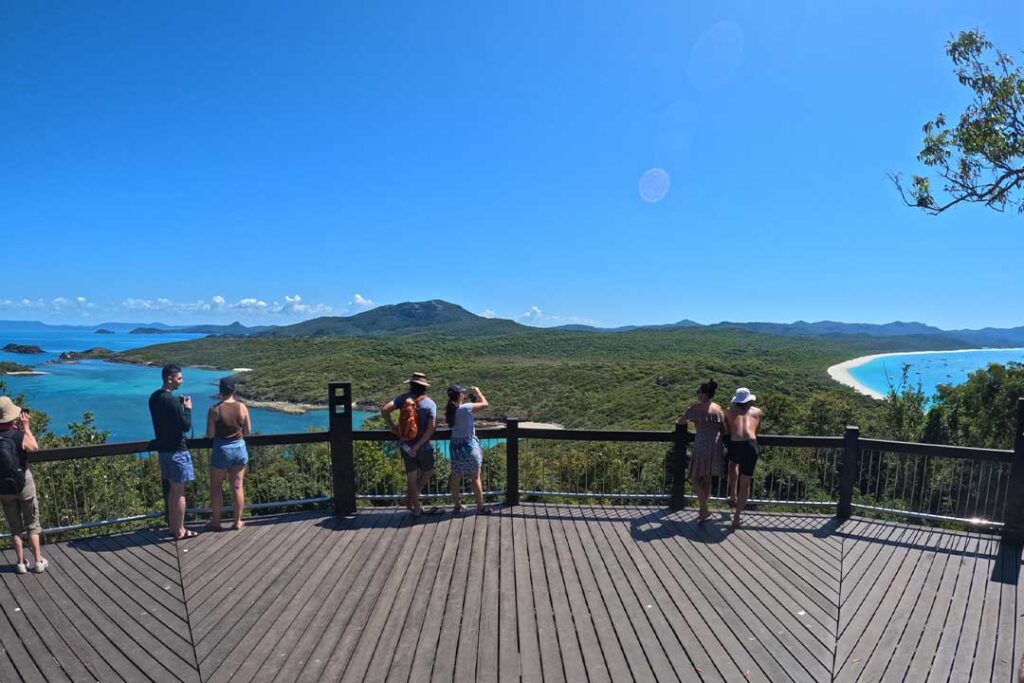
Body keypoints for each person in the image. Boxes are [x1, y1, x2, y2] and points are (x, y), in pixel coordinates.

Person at [148, 365, 198, 540]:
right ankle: (180, 530)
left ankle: (172, 527)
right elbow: (185, 425)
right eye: (179, 378)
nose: (181, 381)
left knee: (171, 491)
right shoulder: (172, 400)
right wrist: (188, 408)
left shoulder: (154, 398)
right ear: (169, 378)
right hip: (177, 451)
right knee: (180, 493)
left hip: (163, 451)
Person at [0, 397, 48, 574]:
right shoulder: (18, 435)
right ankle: (38, 561)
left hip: (3, 488)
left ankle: (20, 563)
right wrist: (26, 427)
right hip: (24, 484)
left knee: (15, 527)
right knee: (32, 524)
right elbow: (34, 447)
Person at [381, 373, 437, 516]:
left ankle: (415, 507)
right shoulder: (430, 404)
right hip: (423, 446)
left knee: (411, 477)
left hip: (406, 445)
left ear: (411, 385)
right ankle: (412, 499)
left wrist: (392, 427)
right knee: (429, 471)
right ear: (424, 387)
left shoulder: (402, 399)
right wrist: (418, 445)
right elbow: (431, 429)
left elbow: (384, 410)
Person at [205, 377, 251, 531]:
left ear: (220, 391)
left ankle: (216, 521)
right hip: (239, 448)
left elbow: (210, 435)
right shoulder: (242, 407)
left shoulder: (214, 410)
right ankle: (237, 522)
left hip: (222, 450)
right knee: (237, 486)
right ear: (234, 390)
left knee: (216, 487)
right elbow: (248, 431)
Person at [676, 379, 725, 523]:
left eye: (699, 391)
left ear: (704, 394)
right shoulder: (718, 408)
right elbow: (723, 428)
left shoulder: (695, 408)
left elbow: (681, 421)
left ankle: (704, 507)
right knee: (707, 477)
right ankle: (703, 511)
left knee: (695, 477)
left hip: (701, 443)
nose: (697, 394)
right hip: (716, 444)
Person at [445, 385, 492, 515]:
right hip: (468, 445)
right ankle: (480, 507)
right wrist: (478, 392)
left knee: (456, 476)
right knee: (475, 477)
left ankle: (457, 506)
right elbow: (485, 404)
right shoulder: (466, 408)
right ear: (460, 395)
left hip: (455, 445)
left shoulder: (451, 410)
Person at [724, 387, 764, 529]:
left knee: (732, 465)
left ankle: (733, 495)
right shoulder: (758, 412)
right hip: (750, 446)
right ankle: (736, 517)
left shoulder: (728, 411)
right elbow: (757, 431)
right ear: (749, 400)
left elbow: (728, 430)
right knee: (745, 482)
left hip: (734, 444)